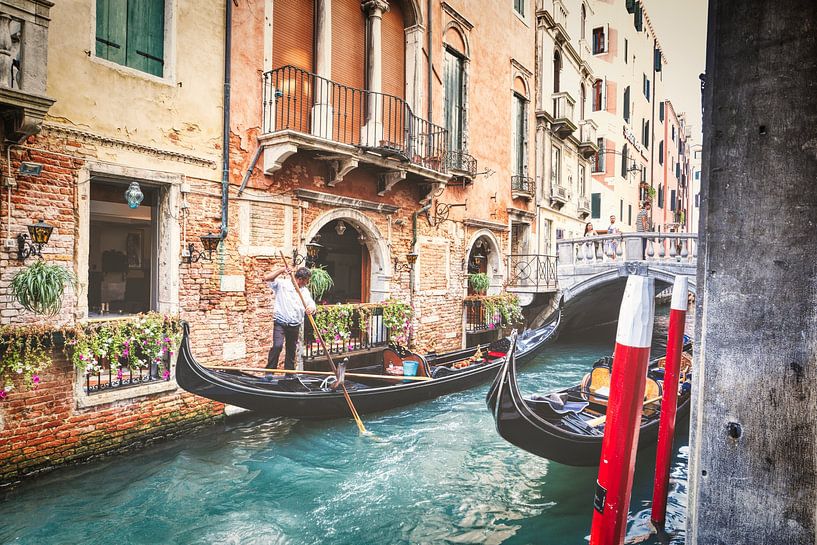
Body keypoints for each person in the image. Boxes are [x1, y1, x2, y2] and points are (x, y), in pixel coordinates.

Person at [263, 265, 316, 372]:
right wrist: (281, 270)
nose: (307, 283)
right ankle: (269, 372)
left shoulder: (305, 291)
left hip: (295, 325)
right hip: (280, 322)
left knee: (291, 350)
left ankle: (289, 374)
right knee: (277, 346)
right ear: (300, 279)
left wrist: (311, 308)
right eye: (307, 280)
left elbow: (312, 304)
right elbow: (267, 278)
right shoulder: (283, 284)